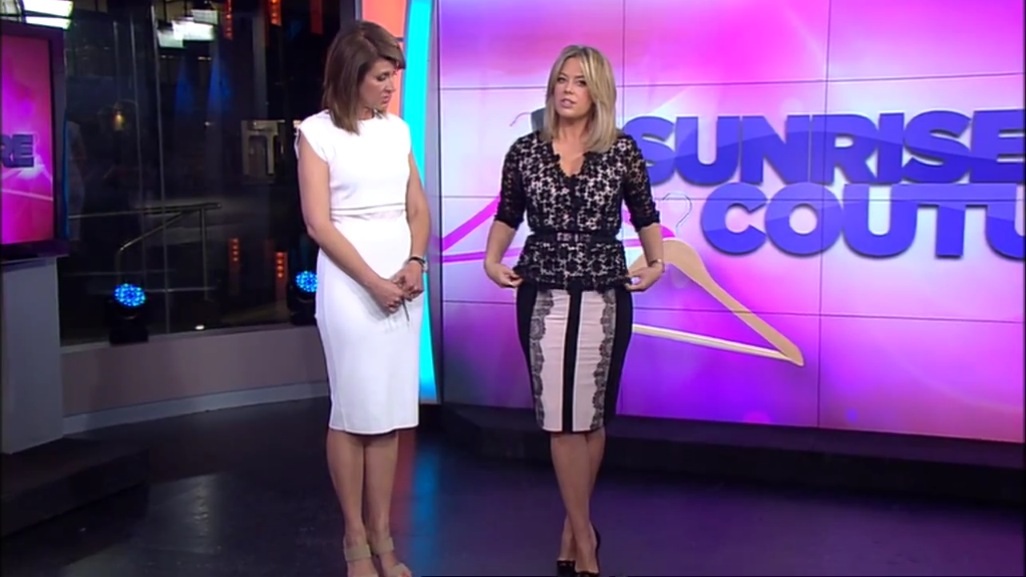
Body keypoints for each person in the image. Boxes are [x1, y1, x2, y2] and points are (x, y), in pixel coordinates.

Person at [483, 45, 665, 577]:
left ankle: (571, 529)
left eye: (580, 82)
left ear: (598, 92)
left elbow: (645, 213)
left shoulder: (622, 150)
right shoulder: (525, 150)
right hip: (543, 291)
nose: (567, 90)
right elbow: (508, 213)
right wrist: (492, 259)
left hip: (605, 291)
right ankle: (586, 538)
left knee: (590, 416)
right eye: (562, 79)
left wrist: (656, 262)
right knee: (560, 418)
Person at [295, 20, 429, 577]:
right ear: (352, 76)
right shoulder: (317, 133)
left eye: (393, 75)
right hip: (351, 283)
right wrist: (373, 282)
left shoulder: (397, 131)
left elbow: (417, 207)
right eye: (380, 77)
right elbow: (318, 224)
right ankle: (354, 538)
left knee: (390, 412)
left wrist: (416, 261)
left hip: (403, 280)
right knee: (354, 410)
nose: (390, 86)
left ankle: (383, 536)